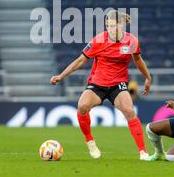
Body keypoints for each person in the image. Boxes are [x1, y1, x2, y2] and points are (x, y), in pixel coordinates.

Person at [50, 10, 152, 160]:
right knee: (82, 107)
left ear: (121, 25)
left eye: (113, 26)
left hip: (118, 84)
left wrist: (148, 78)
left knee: (130, 111)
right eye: (108, 26)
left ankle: (143, 152)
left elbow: (138, 61)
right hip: (97, 84)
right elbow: (80, 61)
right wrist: (61, 76)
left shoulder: (131, 41)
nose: (110, 29)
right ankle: (90, 141)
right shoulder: (98, 41)